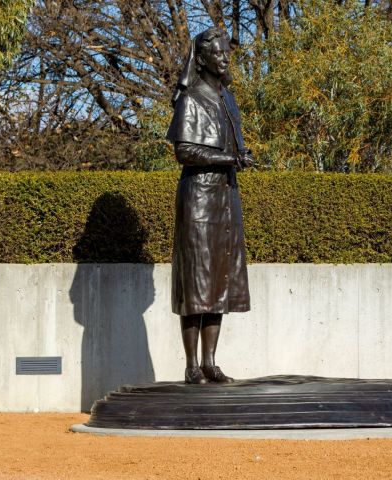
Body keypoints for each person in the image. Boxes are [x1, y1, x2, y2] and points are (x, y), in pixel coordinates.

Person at [166, 28, 254, 384]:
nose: (224, 60)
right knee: (196, 285)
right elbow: (184, 152)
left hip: (226, 198)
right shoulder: (191, 99)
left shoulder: (226, 97)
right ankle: (191, 366)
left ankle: (211, 362)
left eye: (226, 56)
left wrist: (241, 156)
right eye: (218, 55)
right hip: (199, 200)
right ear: (201, 60)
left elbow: (234, 143)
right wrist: (227, 157)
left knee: (220, 281)